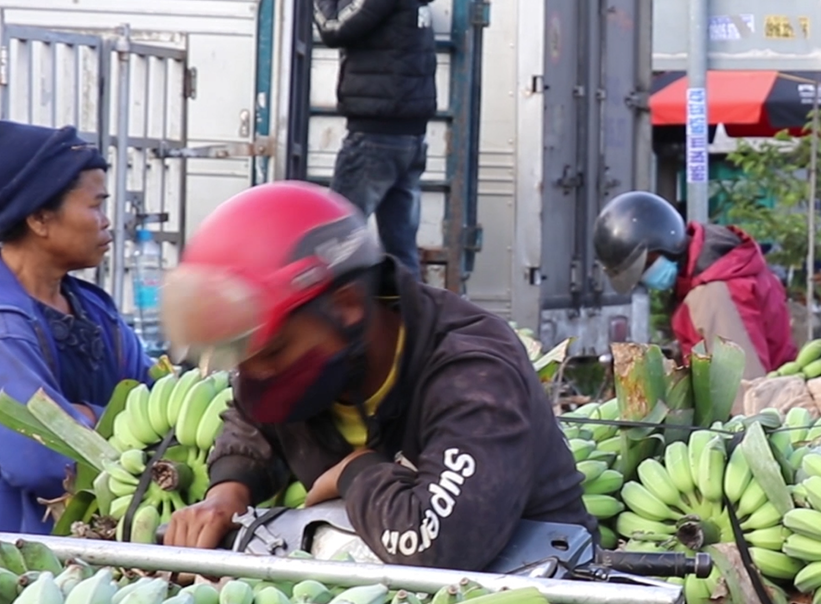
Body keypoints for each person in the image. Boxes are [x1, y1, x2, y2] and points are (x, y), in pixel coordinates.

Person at [160, 182, 588, 567]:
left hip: (531, 592)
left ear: (346, 305)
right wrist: (228, 492)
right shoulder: (300, 363)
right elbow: (253, 416)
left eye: (270, 351)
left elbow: (437, 546)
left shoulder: (473, 374)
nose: (255, 372)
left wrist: (358, 472)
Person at [0, 122, 151, 533]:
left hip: (96, 545)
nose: (107, 222)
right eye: (95, 205)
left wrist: (83, 417)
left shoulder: (96, 310)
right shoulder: (6, 325)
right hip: (23, 554)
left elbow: (161, 408)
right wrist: (125, 422)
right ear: (39, 218)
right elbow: (42, 457)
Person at [310, 0, 439, 276]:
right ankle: (405, 315)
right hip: (407, 135)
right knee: (400, 256)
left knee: (334, 248)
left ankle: (348, 317)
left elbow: (333, 27)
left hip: (375, 138)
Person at [593, 190, 796, 380]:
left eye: (647, 265)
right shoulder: (707, 276)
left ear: (667, 243)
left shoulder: (714, 295)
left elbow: (743, 385)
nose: (646, 278)